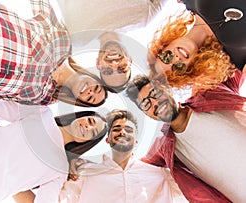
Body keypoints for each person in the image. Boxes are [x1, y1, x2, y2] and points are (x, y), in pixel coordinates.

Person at [0, 94, 108, 203]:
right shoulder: (42, 114)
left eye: (92, 132)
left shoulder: (59, 169)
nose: (87, 126)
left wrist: (12, 185)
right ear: (79, 116)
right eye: (90, 121)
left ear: (86, 142)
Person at [0, 0, 107, 107]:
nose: (90, 92)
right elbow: (41, 5)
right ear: (93, 75)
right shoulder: (64, 43)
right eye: (97, 88)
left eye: (90, 99)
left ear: (80, 100)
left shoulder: (43, 100)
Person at [126, 71, 246, 202]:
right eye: (146, 104)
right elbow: (132, 170)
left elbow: (237, 62)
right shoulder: (165, 149)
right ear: (146, 113)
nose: (155, 103)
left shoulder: (210, 92)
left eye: (155, 94)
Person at [58, 109, 187, 203]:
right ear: (108, 140)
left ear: (136, 141)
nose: (122, 132)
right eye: (116, 129)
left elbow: (194, 194)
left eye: (129, 130)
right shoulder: (85, 173)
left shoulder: (162, 175)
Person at [147, 0, 245, 89]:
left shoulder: (190, 2)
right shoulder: (239, 58)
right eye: (178, 68)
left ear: (164, 46)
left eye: (166, 57)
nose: (176, 59)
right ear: (190, 70)